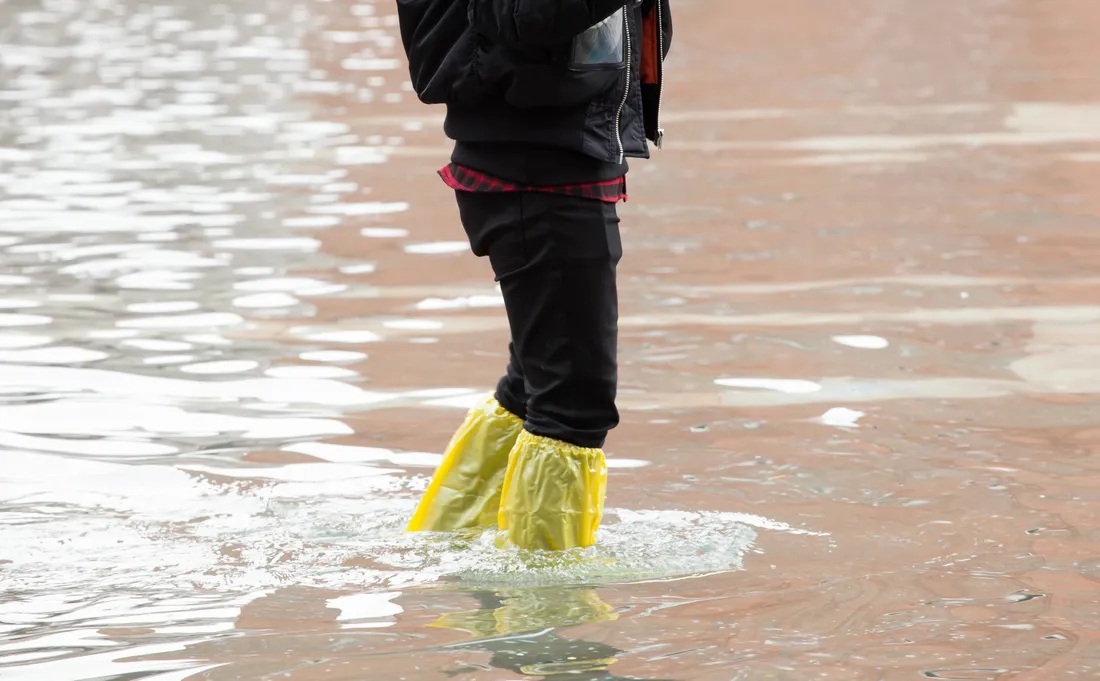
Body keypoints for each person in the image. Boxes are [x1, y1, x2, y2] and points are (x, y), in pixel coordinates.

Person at [398, 0, 672, 550]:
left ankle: (449, 541)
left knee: (535, 388)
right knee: (574, 407)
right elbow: (519, 18)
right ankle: (547, 608)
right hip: (535, 171)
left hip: (559, 158)